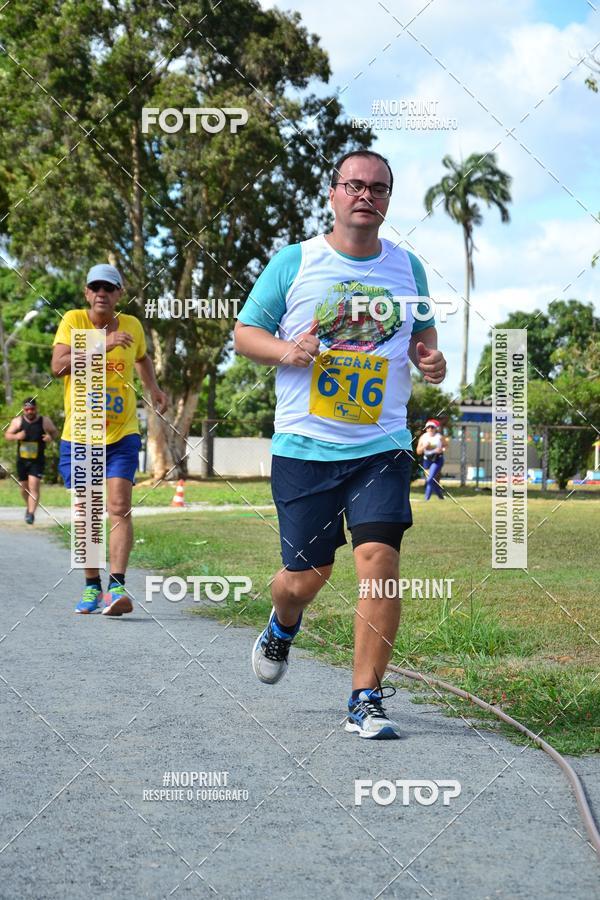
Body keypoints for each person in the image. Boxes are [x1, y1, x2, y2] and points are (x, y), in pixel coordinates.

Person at [234, 149, 447, 739]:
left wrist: (433, 362)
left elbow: (425, 342)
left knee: (379, 565)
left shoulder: (410, 270)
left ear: (387, 200)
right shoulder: (294, 262)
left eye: (378, 188)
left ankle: (366, 697)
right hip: (306, 446)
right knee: (305, 577)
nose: (366, 196)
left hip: (382, 446)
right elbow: (244, 333)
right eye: (354, 185)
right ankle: (283, 620)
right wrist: (286, 351)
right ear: (333, 194)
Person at [51, 263, 167, 615]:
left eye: (109, 288)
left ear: (119, 294)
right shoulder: (74, 321)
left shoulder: (132, 325)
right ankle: (91, 587)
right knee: (87, 512)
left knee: (119, 507)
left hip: (121, 433)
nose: (101, 293)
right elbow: (58, 365)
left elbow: (143, 358)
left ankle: (116, 588)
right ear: (87, 293)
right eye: (95, 287)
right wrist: (103, 343)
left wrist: (154, 388)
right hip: (82, 434)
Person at [5, 397, 58, 524]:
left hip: (37, 459)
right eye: (27, 409)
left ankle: (31, 514)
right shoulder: (17, 421)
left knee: (34, 486)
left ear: (36, 409)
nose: (29, 411)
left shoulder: (44, 421)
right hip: (22, 460)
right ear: (23, 410)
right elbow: (7, 435)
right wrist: (16, 436)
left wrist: (50, 437)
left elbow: (55, 432)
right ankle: (29, 507)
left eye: (32, 409)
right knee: (24, 489)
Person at [416, 419, 448, 500]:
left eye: (432, 427)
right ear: (426, 428)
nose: (430, 429)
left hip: (437, 459)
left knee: (430, 479)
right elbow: (418, 452)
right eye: (428, 427)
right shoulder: (423, 437)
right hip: (427, 460)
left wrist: (441, 450)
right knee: (431, 480)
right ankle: (440, 496)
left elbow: (446, 446)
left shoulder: (439, 437)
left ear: (435, 428)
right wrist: (424, 447)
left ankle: (426, 499)